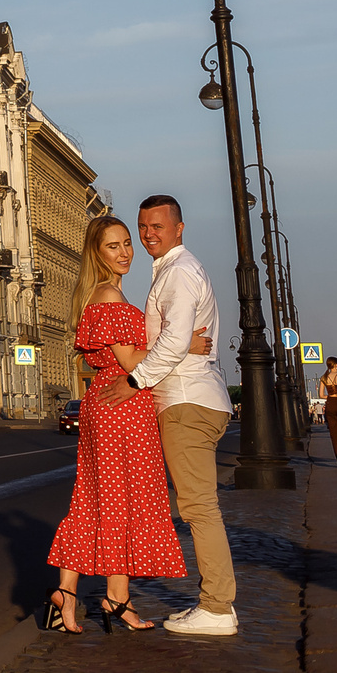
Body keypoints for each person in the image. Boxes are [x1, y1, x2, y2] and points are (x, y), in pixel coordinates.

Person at [93, 196, 237, 637]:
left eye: (158, 225)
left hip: (185, 401)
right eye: (144, 226)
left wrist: (134, 381)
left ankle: (217, 607)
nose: (149, 233)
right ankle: (214, 604)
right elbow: (178, 340)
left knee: (199, 507)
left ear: (179, 227)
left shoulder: (177, 272)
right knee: (199, 505)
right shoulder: (173, 271)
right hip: (193, 398)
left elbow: (174, 343)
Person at [43, 215, 187, 635]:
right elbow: (130, 362)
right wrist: (184, 347)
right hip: (121, 405)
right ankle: (114, 598)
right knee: (123, 501)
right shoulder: (109, 297)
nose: (125, 252)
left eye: (127, 244)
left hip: (105, 404)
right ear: (96, 252)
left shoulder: (101, 294)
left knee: (96, 501)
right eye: (113, 246)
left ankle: (75, 595)